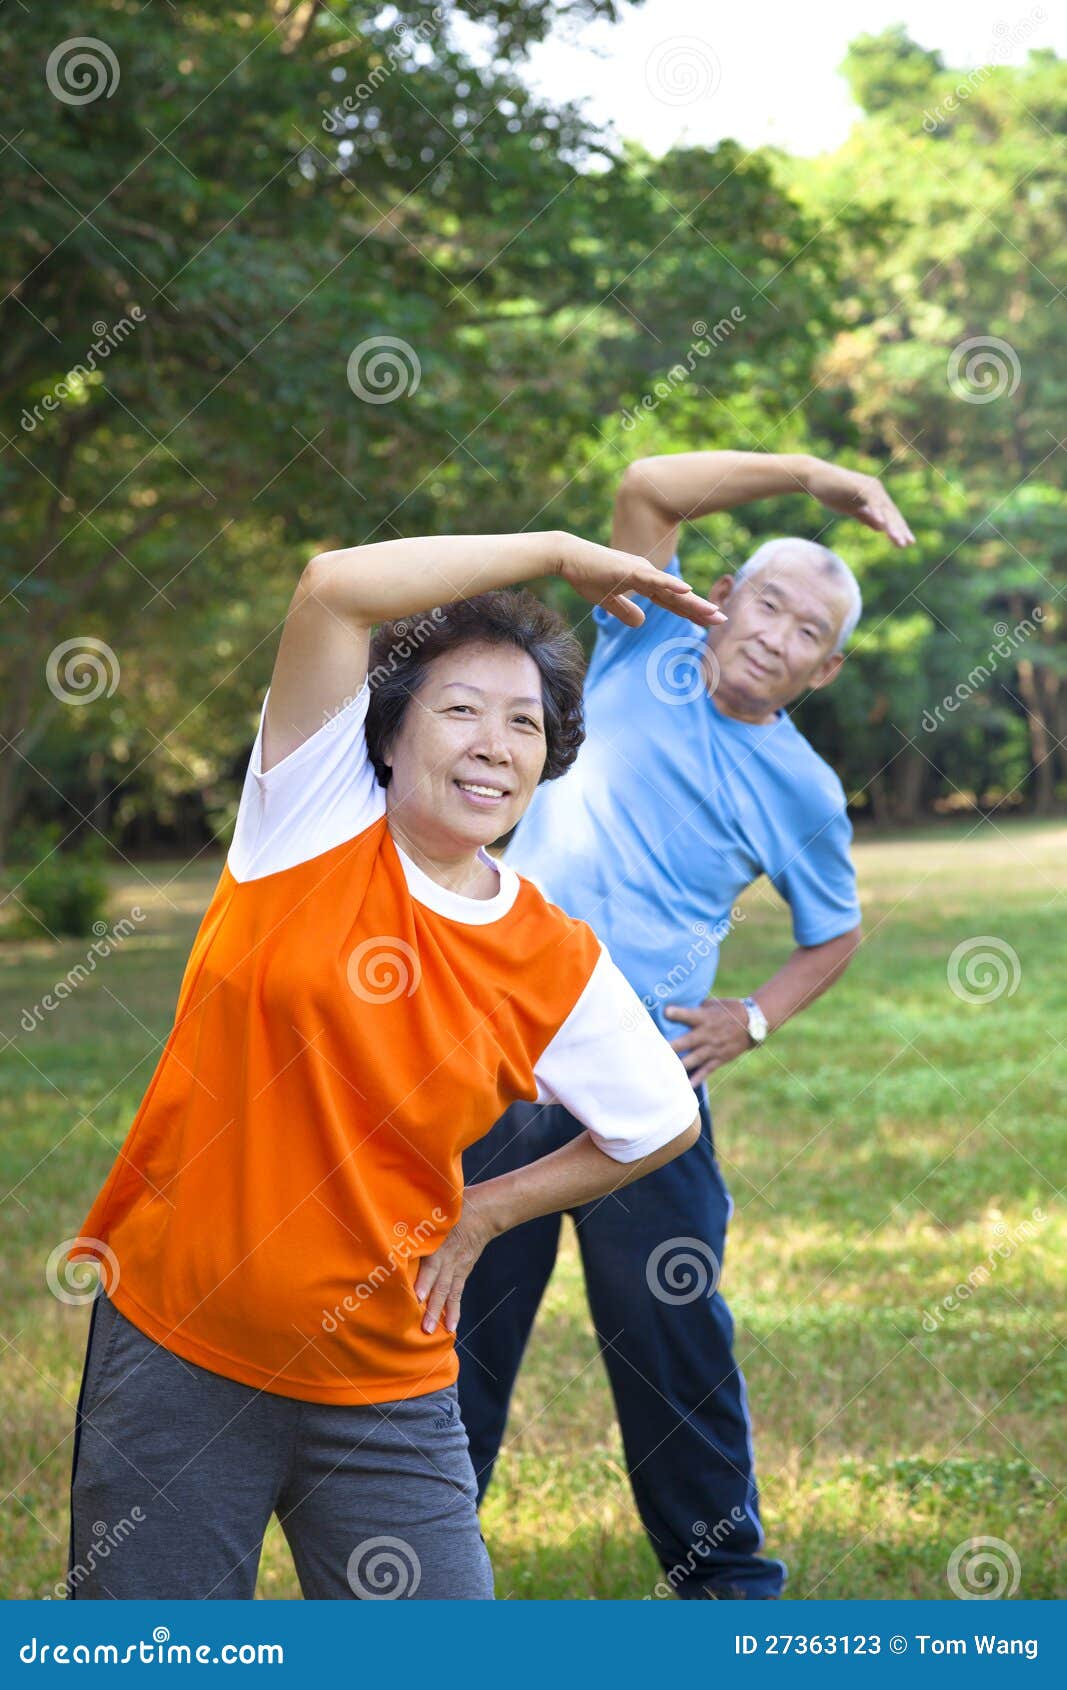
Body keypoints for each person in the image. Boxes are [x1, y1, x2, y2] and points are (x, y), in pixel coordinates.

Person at [64, 528, 728, 1601]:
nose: (494, 744)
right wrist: (560, 551)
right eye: (460, 709)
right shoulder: (309, 822)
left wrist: (486, 1211)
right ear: (386, 735)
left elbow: (658, 1122)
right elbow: (334, 587)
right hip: (182, 1346)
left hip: (385, 1378)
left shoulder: (549, 957)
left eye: (524, 723)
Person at [457, 451, 915, 1599]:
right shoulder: (640, 642)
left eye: (807, 630)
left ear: (824, 667)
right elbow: (649, 484)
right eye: (765, 601)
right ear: (723, 600)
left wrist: (751, 1018)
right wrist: (816, 476)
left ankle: (725, 1597)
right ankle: (414, 1579)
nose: (774, 634)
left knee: (672, 1344)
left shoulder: (802, 789)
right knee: (451, 1325)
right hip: (495, 1049)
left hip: (645, 1090)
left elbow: (835, 932)